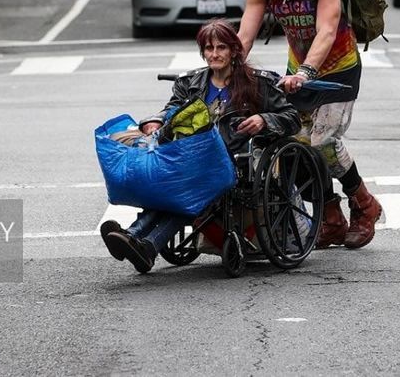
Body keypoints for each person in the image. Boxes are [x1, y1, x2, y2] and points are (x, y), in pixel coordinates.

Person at [101, 19, 301, 273]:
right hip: (189, 158)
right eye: (208, 48)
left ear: (234, 51)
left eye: (221, 48)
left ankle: (138, 237)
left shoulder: (258, 83)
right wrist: (155, 120)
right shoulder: (191, 83)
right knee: (169, 181)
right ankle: (138, 240)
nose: (214, 54)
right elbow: (172, 109)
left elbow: (292, 118)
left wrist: (264, 119)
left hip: (232, 162)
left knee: (188, 187)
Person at [237, 0, 383, 250]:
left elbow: (327, 31)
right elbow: (245, 34)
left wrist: (306, 72)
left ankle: (364, 205)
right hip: (297, 74)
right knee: (293, 146)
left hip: (338, 71)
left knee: (325, 141)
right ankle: (330, 219)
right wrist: (228, 68)